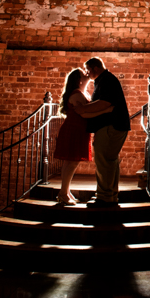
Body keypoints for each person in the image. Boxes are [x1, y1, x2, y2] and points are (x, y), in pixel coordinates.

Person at [52, 68, 113, 206]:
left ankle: (65, 192)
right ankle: (63, 193)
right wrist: (107, 110)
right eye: (83, 74)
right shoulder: (77, 94)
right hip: (74, 130)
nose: (87, 74)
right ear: (79, 80)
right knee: (71, 162)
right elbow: (85, 114)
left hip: (78, 130)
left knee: (70, 162)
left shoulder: (81, 93)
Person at [83, 57, 130, 208]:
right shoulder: (105, 79)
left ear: (95, 68)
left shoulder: (106, 80)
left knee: (103, 161)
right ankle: (110, 196)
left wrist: (82, 110)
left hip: (111, 125)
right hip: (113, 125)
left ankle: (104, 198)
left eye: (88, 70)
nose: (87, 73)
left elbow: (104, 103)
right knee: (109, 161)